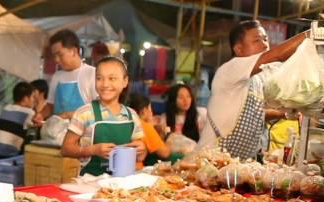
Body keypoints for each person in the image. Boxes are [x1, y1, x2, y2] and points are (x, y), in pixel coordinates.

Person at [198, 20, 309, 159]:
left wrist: (285, 113)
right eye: (257, 41)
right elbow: (277, 55)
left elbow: (254, 112)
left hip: (240, 165)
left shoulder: (258, 77)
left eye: (265, 39)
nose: (264, 45)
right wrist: (312, 34)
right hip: (210, 159)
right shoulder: (231, 69)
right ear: (239, 49)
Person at [61, 56, 146, 176]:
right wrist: (92, 150)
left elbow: (140, 156)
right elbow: (65, 149)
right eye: (99, 78)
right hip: (89, 183)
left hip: (122, 184)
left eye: (112, 78)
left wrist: (142, 150)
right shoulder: (84, 113)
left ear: (125, 81)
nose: (105, 84)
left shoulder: (131, 115)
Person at [33, 29, 97, 125]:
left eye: (60, 54)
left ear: (74, 51)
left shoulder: (92, 74)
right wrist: (41, 114)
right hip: (58, 135)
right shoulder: (57, 76)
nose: (56, 59)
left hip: (85, 135)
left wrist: (69, 115)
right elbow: (50, 106)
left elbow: (100, 110)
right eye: (54, 56)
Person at [0, 82, 37, 159]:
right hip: (7, 158)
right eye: (33, 97)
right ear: (25, 99)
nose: (34, 100)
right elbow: (39, 123)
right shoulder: (29, 113)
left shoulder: (6, 108)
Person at [128, 94, 174, 167]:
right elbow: (164, 153)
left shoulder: (125, 122)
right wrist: (170, 140)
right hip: (136, 170)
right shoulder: (143, 125)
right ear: (144, 111)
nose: (152, 113)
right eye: (150, 109)